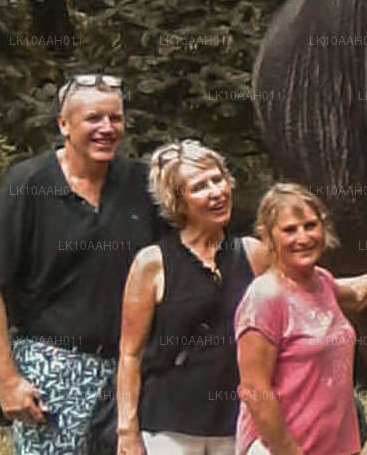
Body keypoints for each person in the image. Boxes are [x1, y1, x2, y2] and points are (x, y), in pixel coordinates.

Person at [0, 74, 164, 455]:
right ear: (64, 124)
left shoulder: (141, 184)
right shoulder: (28, 184)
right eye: (94, 118)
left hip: (130, 375)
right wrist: (6, 379)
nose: (107, 128)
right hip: (50, 374)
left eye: (115, 118)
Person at [235, 183, 367, 455]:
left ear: (323, 227)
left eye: (310, 225)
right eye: (289, 230)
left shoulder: (322, 282)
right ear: (268, 237)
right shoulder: (265, 297)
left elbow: (360, 292)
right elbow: (254, 391)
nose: (303, 237)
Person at [116, 141, 273, 455]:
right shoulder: (152, 263)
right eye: (200, 187)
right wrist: (127, 431)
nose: (216, 192)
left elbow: (304, 300)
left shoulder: (253, 253)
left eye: (218, 179)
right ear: (178, 202)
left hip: (238, 422)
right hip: (170, 426)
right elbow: (130, 354)